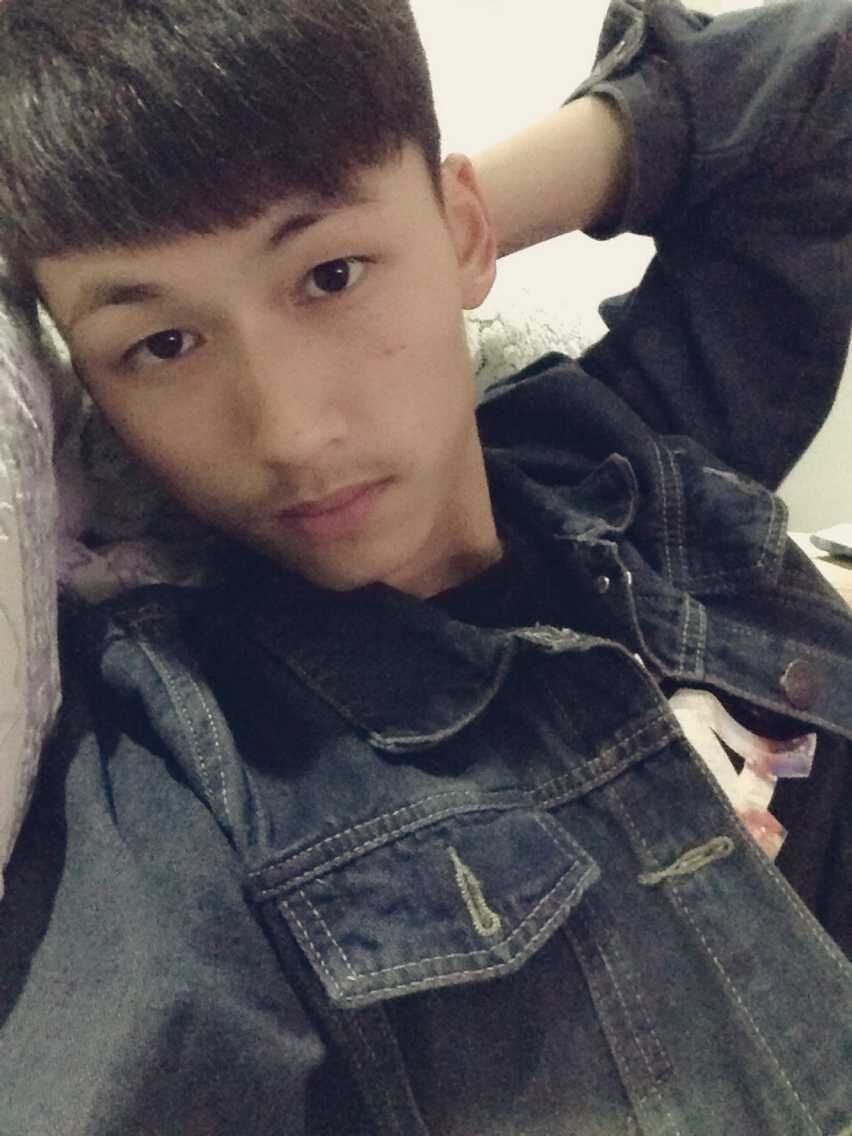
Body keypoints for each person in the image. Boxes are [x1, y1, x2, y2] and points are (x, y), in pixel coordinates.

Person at [0, 0, 850, 1131]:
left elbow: (819, 88)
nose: (290, 432)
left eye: (331, 277)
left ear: (465, 229)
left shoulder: (623, 451)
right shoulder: (191, 774)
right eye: (162, 344)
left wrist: (445, 225)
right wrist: (369, 236)